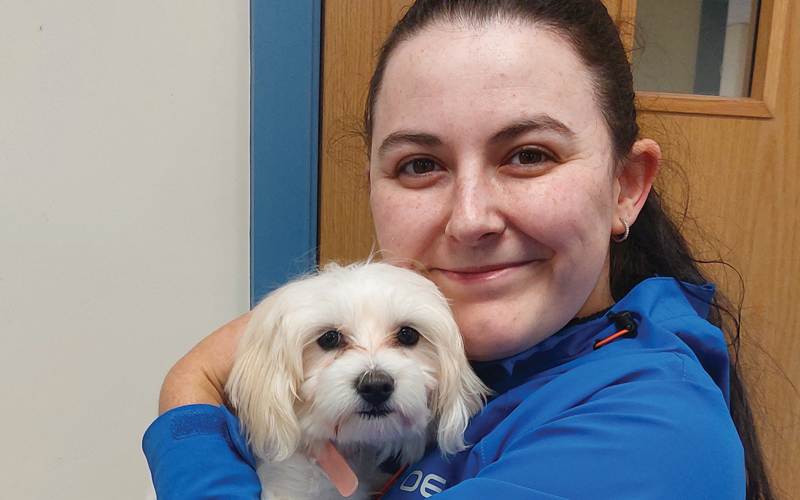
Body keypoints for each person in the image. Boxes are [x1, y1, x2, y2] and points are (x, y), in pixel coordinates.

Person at [143, 1, 775, 499]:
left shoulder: (651, 440)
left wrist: (189, 393)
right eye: (420, 165)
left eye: (529, 155)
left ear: (626, 187)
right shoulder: (469, 360)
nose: (470, 219)